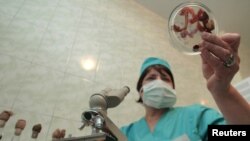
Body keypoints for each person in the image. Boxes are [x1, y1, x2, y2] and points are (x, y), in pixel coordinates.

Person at [120, 32, 250, 141]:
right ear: (141, 90)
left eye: (165, 79)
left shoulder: (196, 117)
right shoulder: (125, 133)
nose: (159, 82)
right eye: (151, 78)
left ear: (172, 88)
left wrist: (223, 91)